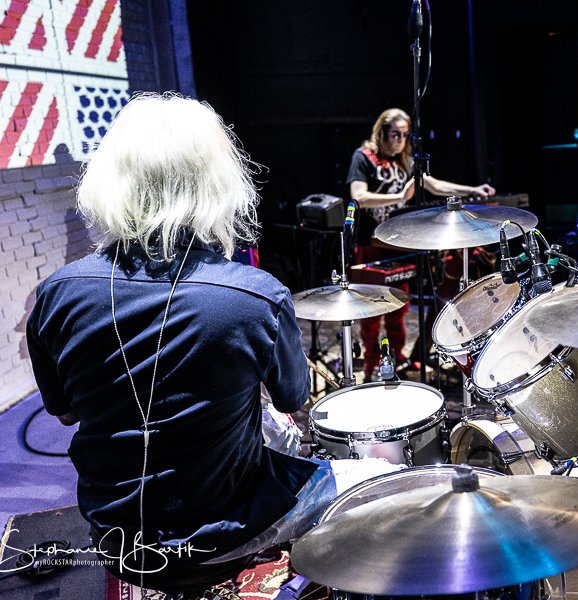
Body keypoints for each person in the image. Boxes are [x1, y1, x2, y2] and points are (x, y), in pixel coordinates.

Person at [25, 94, 377, 593]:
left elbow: (64, 414)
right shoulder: (256, 296)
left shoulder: (55, 294)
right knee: (376, 476)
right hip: (221, 538)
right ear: (216, 182)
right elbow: (293, 401)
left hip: (114, 536)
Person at [347, 107, 495, 381]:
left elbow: (433, 184)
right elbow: (359, 196)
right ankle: (371, 363)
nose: (400, 140)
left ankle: (398, 358)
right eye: (395, 134)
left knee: (398, 305)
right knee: (372, 310)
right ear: (382, 133)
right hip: (371, 242)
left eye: (405, 135)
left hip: (397, 243)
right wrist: (399, 198)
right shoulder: (364, 157)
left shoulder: (404, 160)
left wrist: (473, 190)